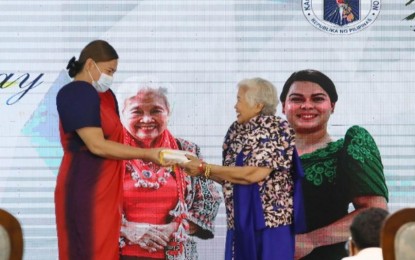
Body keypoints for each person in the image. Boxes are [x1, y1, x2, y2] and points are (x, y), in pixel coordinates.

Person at [55, 40, 166, 260]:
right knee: (87, 251)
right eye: (109, 71)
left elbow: (117, 139)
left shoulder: (106, 95)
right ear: (90, 64)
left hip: (108, 190)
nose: (111, 77)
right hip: (86, 189)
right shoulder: (75, 93)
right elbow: (96, 144)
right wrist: (146, 155)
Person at [180, 78, 305, 260]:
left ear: (258, 105)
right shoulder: (236, 131)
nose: (235, 106)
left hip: (269, 226)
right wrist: (201, 170)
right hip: (239, 222)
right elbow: (232, 178)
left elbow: (253, 174)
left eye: (239, 99)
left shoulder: (276, 128)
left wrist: (203, 167)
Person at [280, 69, 389, 259]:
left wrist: (311, 240)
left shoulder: (347, 148)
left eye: (317, 99)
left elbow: (375, 214)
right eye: (297, 99)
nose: (307, 105)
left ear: (332, 105)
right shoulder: (262, 156)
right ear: (283, 106)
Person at [116, 77, 222, 260]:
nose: (147, 119)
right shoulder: (108, 152)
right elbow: (84, 209)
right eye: (137, 111)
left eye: (156, 110)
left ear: (168, 112)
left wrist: (174, 227)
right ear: (122, 113)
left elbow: (209, 201)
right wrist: (126, 229)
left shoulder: (187, 151)